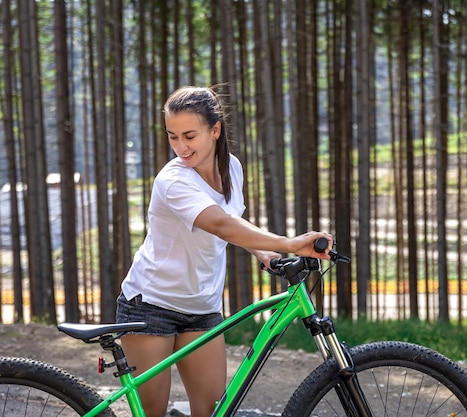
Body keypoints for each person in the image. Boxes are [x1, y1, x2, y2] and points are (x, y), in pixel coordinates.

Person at [116, 85, 332, 417]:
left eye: (190, 135)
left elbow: (234, 221)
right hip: (150, 306)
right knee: (151, 413)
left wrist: (263, 253)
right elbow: (220, 225)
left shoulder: (231, 167)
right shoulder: (173, 181)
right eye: (173, 137)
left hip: (203, 307)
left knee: (214, 411)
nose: (181, 147)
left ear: (215, 130)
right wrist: (288, 242)